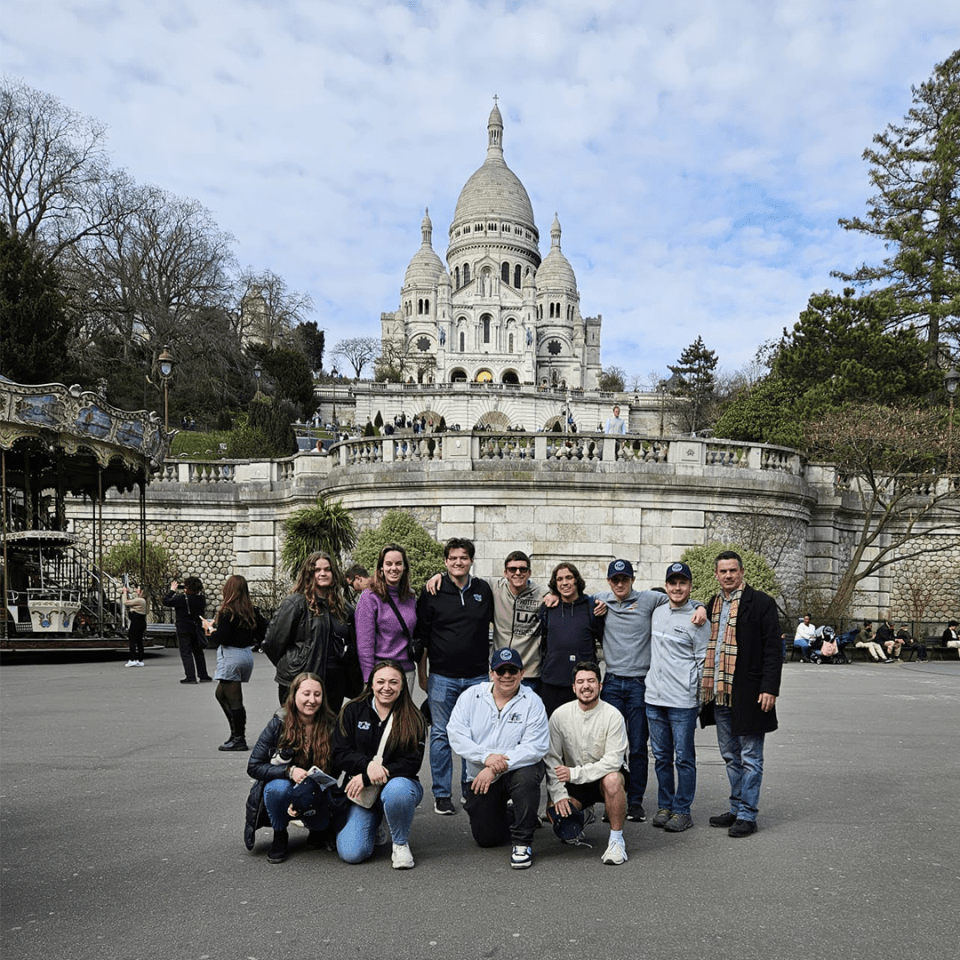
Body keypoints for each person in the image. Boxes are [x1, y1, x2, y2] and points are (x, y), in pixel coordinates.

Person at [593, 559, 706, 823]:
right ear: (609, 582)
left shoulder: (649, 600)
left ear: (633, 579)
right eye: (615, 579)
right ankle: (615, 800)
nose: (620, 584)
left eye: (625, 579)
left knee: (640, 749)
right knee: (613, 747)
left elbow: (682, 598)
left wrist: (701, 606)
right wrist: (552, 595)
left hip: (641, 685)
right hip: (613, 683)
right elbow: (572, 596)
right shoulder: (601, 600)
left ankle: (637, 803)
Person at [699, 551, 783, 837]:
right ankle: (736, 808)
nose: (728, 576)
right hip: (720, 693)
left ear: (742, 571)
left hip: (749, 693)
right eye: (723, 571)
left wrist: (770, 688)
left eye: (733, 570)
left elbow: (773, 649)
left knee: (750, 756)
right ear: (716, 574)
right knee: (730, 755)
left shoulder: (761, 603)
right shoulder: (713, 604)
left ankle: (748, 814)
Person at [447, 648, 550, 870]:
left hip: (515, 770)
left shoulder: (533, 702)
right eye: (500, 670)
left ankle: (522, 842)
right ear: (491, 673)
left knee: (528, 775)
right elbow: (456, 734)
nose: (506, 676)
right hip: (480, 774)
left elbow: (536, 746)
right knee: (486, 839)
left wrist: (495, 767)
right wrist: (486, 758)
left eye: (512, 670)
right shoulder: (470, 697)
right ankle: (521, 814)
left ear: (522, 673)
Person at [415, 537, 494, 815]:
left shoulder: (483, 589)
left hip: (477, 677)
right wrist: (422, 674)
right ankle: (441, 794)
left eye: (463, 557)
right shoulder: (432, 591)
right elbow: (422, 638)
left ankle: (469, 788)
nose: (458, 562)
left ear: (471, 560)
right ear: (446, 561)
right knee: (440, 734)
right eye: (452, 558)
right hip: (442, 676)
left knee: (474, 735)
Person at [333, 659, 428, 869]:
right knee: (352, 853)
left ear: (402, 685)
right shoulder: (352, 710)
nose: (387, 687)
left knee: (398, 791)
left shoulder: (414, 717)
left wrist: (370, 775)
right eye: (381, 681)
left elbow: (411, 763)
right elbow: (338, 753)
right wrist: (366, 766)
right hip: (363, 793)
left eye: (393, 682)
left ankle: (400, 844)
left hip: (398, 785)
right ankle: (378, 822)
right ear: (371, 684)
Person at [245, 673, 345, 864]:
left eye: (317, 694)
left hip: (316, 790)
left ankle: (318, 830)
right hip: (286, 785)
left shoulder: (331, 724)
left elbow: (338, 766)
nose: (312, 700)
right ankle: (280, 834)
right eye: (306, 693)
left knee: (321, 827)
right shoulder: (279, 723)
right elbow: (254, 766)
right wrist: (289, 771)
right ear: (294, 695)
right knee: (276, 788)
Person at [645, 562, 710, 833]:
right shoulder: (657, 612)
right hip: (654, 698)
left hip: (682, 701)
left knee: (683, 758)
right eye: (673, 583)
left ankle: (683, 810)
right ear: (667, 585)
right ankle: (665, 805)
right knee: (661, 757)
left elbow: (702, 662)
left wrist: (697, 699)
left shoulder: (698, 618)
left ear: (690, 586)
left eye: (683, 583)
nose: (677, 587)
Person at [545, 661, 630, 865]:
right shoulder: (559, 715)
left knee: (613, 780)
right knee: (558, 818)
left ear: (600, 686)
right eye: (580, 681)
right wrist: (559, 795)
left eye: (591, 681)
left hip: (603, 778)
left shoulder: (613, 716)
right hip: (573, 781)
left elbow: (613, 761)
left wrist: (575, 774)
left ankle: (617, 841)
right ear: (573, 687)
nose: (586, 686)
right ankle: (583, 813)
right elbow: (552, 759)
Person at [263, 552, 358, 711]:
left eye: (327, 570)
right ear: (309, 573)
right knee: (299, 732)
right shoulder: (295, 604)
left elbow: (353, 639)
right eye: (317, 570)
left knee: (328, 731)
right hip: (301, 680)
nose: (323, 573)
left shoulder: (343, 607)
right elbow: (272, 643)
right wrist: (294, 665)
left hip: (334, 682)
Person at [201, 574, 268, 752]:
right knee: (221, 694)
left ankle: (239, 738)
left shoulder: (227, 612)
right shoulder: (252, 611)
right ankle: (235, 734)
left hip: (231, 656)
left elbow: (221, 637)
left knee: (235, 700)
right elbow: (263, 633)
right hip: (246, 655)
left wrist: (210, 630)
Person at [538, 561, 604, 716]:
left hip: (583, 684)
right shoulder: (548, 608)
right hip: (552, 682)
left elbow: (604, 640)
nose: (564, 583)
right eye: (560, 579)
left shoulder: (591, 607)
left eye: (568, 577)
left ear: (576, 580)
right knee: (553, 731)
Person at [354, 544, 417, 687]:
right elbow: (365, 645)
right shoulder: (370, 598)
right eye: (388, 564)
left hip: (406, 672)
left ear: (404, 567)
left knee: (404, 711)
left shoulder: (411, 597)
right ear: (381, 568)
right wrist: (369, 679)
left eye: (398, 564)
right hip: (379, 673)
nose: (393, 568)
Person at [492, 550, 549, 689]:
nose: (518, 572)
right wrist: (440, 575)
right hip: (501, 671)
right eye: (513, 569)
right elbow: (465, 579)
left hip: (530, 673)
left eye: (522, 569)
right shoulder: (494, 588)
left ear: (529, 572)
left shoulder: (543, 594)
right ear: (505, 573)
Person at [163, 576, 211, 684]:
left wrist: (172, 590)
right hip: (197, 627)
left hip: (183, 627)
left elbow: (165, 601)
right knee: (198, 652)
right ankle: (203, 675)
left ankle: (190, 676)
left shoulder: (182, 598)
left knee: (186, 652)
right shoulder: (201, 598)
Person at [121, 585, 147, 667]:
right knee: (139, 640)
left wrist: (124, 593)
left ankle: (133, 659)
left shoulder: (140, 600)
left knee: (132, 639)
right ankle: (139, 658)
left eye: (138, 588)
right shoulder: (142, 600)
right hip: (140, 621)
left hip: (136, 621)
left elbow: (126, 602)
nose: (136, 590)